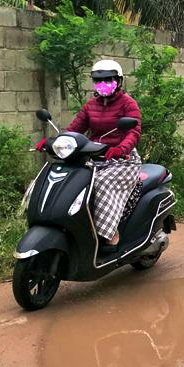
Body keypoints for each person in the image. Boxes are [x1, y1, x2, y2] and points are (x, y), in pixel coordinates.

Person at [36, 59, 142, 248]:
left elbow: (133, 131)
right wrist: (53, 142)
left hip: (122, 160)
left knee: (101, 183)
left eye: (108, 80)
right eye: (98, 81)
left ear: (118, 81)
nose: (103, 84)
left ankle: (109, 232)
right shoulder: (90, 106)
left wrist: (120, 149)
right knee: (73, 182)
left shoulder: (128, 104)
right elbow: (74, 129)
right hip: (94, 157)